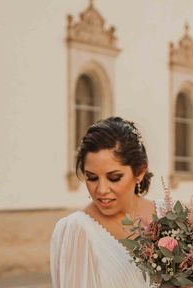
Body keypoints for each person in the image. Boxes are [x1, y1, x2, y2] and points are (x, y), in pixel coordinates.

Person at [50, 116, 159, 287]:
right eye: (91, 178)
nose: (101, 190)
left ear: (139, 171)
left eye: (114, 178)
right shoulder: (76, 230)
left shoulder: (169, 215)